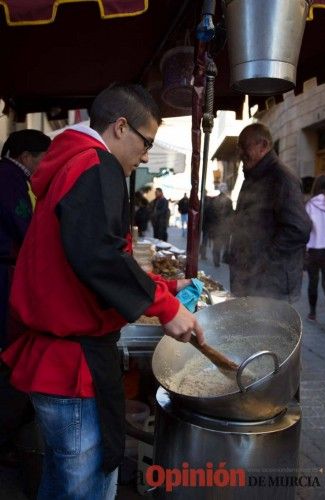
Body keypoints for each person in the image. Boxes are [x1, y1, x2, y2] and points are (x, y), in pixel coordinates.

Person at [0, 84, 204, 500]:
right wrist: (166, 307)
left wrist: (163, 286)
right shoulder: (95, 165)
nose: (146, 155)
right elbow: (98, 254)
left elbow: (80, 256)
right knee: (82, 489)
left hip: (58, 358)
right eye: (146, 142)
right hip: (74, 366)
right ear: (120, 127)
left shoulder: (71, 163)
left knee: (61, 484)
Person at [229, 123, 312, 302]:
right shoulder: (253, 175)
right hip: (251, 281)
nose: (241, 153)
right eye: (239, 147)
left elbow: (299, 229)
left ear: (264, 146)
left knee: (266, 331)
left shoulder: (283, 178)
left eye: (245, 146)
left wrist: (263, 260)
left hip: (272, 286)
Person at [0, 129, 51, 348]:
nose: (47, 165)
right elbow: (24, 225)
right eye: (44, 158)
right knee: (6, 332)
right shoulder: (10, 177)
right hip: (4, 268)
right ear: (26, 157)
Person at [305, 174, 325, 334]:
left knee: (313, 282)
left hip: (315, 249)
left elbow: (306, 228)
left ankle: (312, 313)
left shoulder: (310, 204)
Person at [209, 183, 233, 267]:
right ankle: (223, 258)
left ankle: (217, 261)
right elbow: (231, 215)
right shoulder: (229, 201)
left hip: (217, 227)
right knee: (225, 245)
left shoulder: (214, 200)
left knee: (216, 246)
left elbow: (211, 215)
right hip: (225, 227)